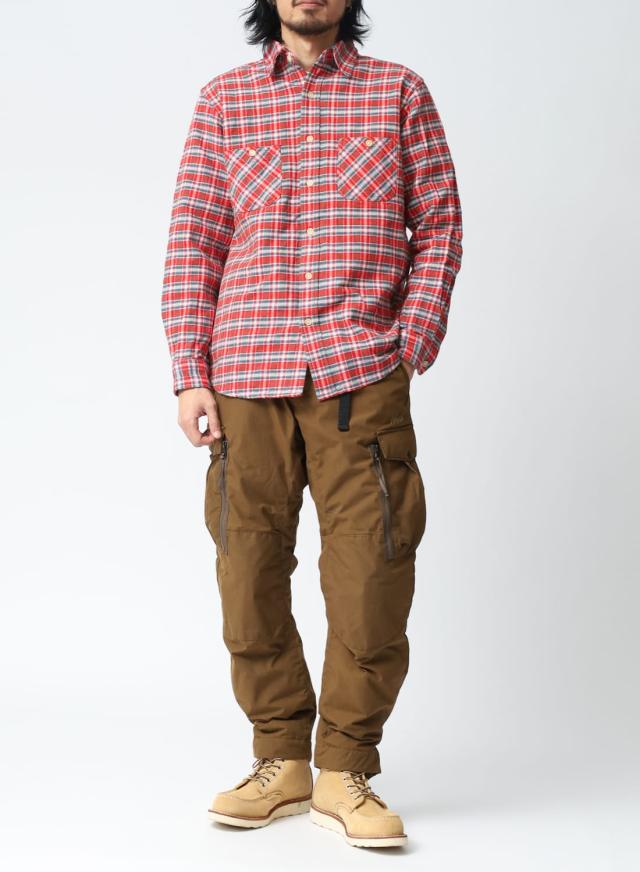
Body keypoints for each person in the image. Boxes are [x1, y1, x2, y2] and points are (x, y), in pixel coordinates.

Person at [160, 0, 462, 849]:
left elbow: (439, 222)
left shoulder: (398, 92)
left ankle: (345, 768)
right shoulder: (224, 101)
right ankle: (281, 759)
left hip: (359, 373)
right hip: (244, 374)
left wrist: (409, 343)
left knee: (372, 571)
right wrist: (190, 373)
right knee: (247, 570)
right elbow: (195, 240)